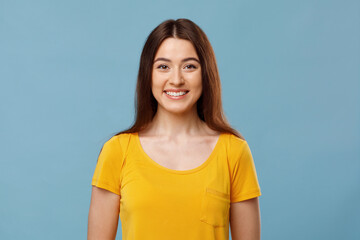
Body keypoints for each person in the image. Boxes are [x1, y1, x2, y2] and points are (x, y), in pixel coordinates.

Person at [88, 18, 261, 240]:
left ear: (205, 73)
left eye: (189, 66)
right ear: (148, 75)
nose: (176, 79)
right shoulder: (117, 152)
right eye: (163, 66)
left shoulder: (234, 152)